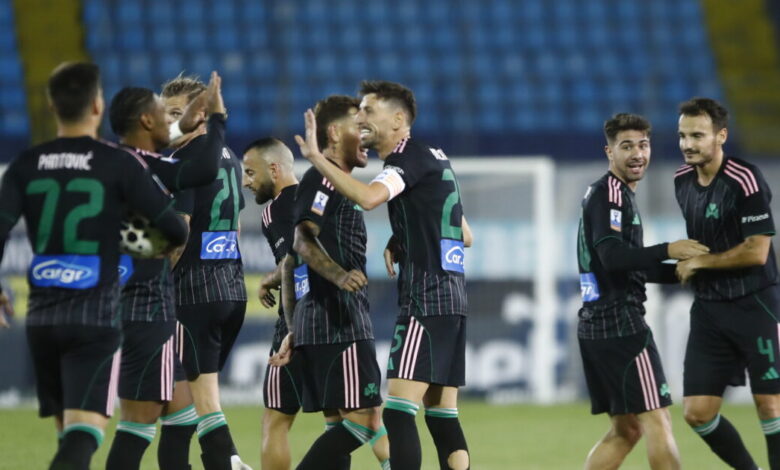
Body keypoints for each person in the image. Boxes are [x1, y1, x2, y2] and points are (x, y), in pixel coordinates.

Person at [0, 62, 188, 470]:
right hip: (94, 316)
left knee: (67, 435)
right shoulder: (118, 163)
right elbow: (175, 229)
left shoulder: (25, 164)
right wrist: (141, 244)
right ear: (98, 106)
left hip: (42, 316)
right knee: (84, 435)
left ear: (52, 105)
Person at [292, 81, 472, 470]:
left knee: (397, 414)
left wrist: (316, 158)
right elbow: (466, 234)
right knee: (442, 416)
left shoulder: (405, 158)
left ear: (398, 119)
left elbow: (369, 198)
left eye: (369, 111)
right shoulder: (434, 157)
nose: (361, 117)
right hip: (453, 296)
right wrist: (403, 234)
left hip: (426, 296)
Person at [103, 73, 226, 470]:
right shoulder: (141, 169)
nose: (168, 120)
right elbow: (180, 225)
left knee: (183, 413)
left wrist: (196, 124)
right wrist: (216, 119)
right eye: (163, 113)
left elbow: (191, 161)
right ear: (146, 120)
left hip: (148, 303)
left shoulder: (128, 161)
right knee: (137, 426)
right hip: (144, 304)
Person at [576, 113, 709, 470]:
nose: (637, 154)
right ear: (609, 152)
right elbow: (613, 257)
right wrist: (669, 249)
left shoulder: (612, 194)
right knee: (658, 420)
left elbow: (630, 265)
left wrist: (688, 273)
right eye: (627, 146)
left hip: (596, 324)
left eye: (643, 145)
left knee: (627, 430)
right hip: (621, 324)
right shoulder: (610, 194)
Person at [270, 95, 389, 470]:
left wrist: (294, 328)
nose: (365, 133)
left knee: (340, 423)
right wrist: (339, 275)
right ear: (335, 133)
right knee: (366, 421)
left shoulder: (337, 183)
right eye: (358, 125)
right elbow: (301, 240)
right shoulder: (322, 178)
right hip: (337, 322)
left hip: (323, 322)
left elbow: (290, 265)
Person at [674, 97, 780, 470]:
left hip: (755, 304)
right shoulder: (681, 180)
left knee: (770, 404)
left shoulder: (744, 179)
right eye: (683, 135)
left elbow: (757, 251)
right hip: (709, 310)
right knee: (697, 413)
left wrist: (701, 262)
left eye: (697, 135)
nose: (687, 144)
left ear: (721, 136)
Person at [162, 75, 251, 470]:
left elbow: (179, 233)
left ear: (200, 116)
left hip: (194, 294)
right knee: (182, 400)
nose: (168, 124)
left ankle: (230, 462)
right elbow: (237, 227)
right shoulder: (229, 156)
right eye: (165, 115)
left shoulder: (186, 160)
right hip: (230, 289)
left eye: (176, 114)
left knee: (201, 400)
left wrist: (154, 282)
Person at [242, 137, 302, 470]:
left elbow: (293, 261)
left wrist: (269, 279)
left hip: (297, 320)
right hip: (338, 315)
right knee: (354, 418)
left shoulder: (275, 210)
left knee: (275, 420)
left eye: (251, 173)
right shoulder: (317, 197)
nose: (246, 182)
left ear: (274, 169)